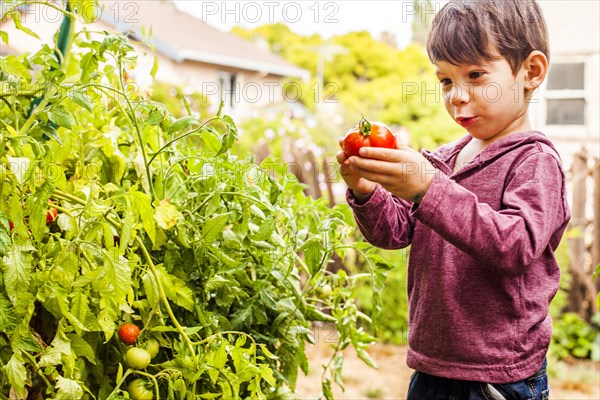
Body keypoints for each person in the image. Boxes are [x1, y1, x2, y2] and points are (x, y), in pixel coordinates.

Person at [336, 0, 570, 398]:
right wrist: (366, 190)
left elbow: (514, 246)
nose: (457, 95)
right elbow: (394, 233)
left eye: (476, 75)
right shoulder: (443, 159)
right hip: (431, 365)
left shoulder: (535, 162)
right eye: (445, 80)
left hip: (497, 376)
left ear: (530, 72)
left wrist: (429, 188)